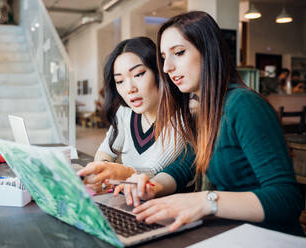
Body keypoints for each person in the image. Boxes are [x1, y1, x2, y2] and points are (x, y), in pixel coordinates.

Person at [116, 11, 304, 236]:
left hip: (270, 236)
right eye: (164, 57)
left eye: (179, 53)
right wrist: (152, 186)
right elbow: (186, 163)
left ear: (209, 50)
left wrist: (206, 201)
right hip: (232, 233)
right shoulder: (204, 107)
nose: (167, 68)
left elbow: (286, 198)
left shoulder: (243, 104)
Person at [78, 37, 184, 193]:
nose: (130, 88)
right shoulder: (125, 112)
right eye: (119, 81)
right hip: (128, 201)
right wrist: (101, 173)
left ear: (159, 72)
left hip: (163, 206)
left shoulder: (181, 118)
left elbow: (154, 169)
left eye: (138, 74)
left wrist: (118, 172)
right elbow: (106, 151)